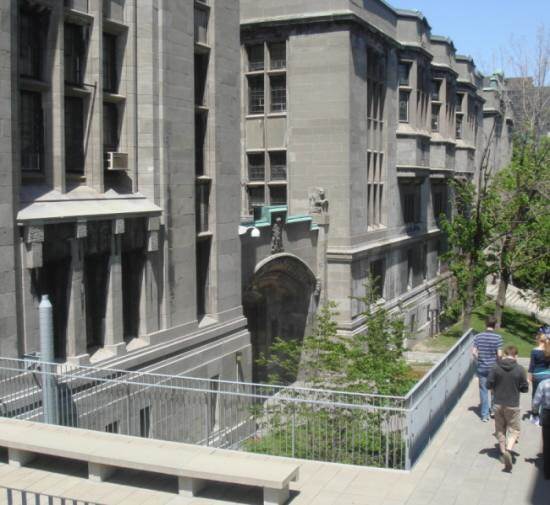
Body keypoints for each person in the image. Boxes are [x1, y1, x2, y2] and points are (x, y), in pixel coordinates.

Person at [487, 345, 529, 472]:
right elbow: (525, 389)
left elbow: (488, 384)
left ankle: (502, 452)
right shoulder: (520, 369)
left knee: (500, 428)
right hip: (513, 404)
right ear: (516, 355)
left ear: (505, 354)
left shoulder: (495, 367)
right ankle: (509, 450)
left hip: (498, 403)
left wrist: (495, 388)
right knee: (514, 429)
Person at [473, 315, 503, 421]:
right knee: (494, 389)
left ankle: (484, 415)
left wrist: (479, 359)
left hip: (482, 367)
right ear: (494, 325)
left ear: (485, 324)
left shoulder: (478, 337)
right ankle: (493, 411)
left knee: (483, 390)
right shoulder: (498, 338)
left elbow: (474, 352)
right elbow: (499, 354)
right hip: (494, 368)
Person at [528, 329, 550, 424]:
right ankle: (543, 413)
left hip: (537, 375)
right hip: (547, 374)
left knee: (535, 394)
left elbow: (532, 366)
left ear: (538, 340)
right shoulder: (548, 350)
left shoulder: (534, 351)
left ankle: (534, 414)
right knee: (546, 395)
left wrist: (529, 377)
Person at [532, 377, 550, 479]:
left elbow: (536, 401)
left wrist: (535, 412)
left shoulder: (544, 383)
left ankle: (547, 472)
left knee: (547, 444)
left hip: (548, 414)